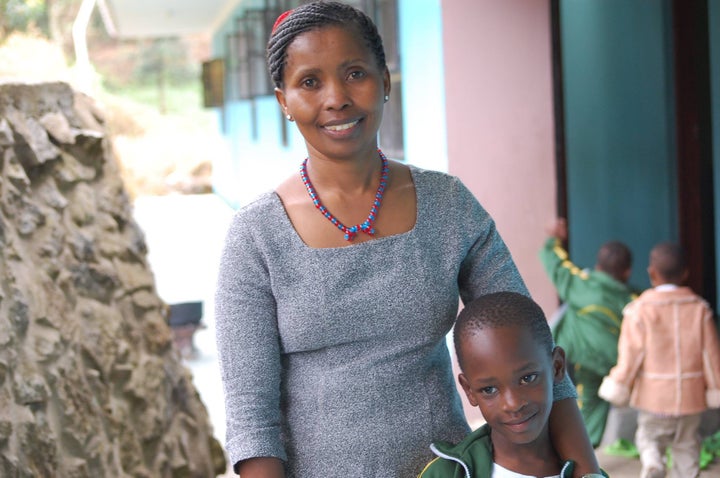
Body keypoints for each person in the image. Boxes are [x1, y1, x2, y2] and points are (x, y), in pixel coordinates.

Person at [214, 2, 601, 476]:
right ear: (283, 101)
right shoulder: (255, 236)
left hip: (449, 470)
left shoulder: (448, 204)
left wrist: (586, 471)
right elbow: (252, 416)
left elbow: (532, 348)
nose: (336, 98)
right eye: (310, 82)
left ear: (386, 81)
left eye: (355, 73)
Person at [419, 292, 608, 478]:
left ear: (557, 367)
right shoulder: (445, 474)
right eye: (489, 389)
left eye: (528, 378)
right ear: (469, 391)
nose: (513, 404)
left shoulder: (589, 474)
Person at [599, 242, 720, 478]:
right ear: (685, 273)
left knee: (648, 437)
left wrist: (619, 385)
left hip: (654, 399)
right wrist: (716, 388)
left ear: (651, 273)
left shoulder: (639, 310)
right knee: (687, 446)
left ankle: (654, 463)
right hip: (690, 399)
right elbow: (711, 357)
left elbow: (631, 357)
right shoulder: (699, 310)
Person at [539, 217, 635, 447]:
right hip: (608, 365)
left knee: (575, 403)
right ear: (627, 272)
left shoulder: (582, 283)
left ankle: (575, 450)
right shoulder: (633, 300)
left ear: (599, 266)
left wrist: (553, 239)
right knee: (593, 405)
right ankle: (586, 448)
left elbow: (555, 262)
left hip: (574, 358)